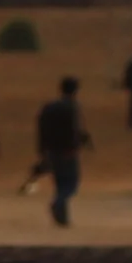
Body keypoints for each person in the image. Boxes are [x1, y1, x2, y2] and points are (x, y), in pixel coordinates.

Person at [36, 77, 91, 227]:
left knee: (60, 183)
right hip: (68, 150)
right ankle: (58, 204)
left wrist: (42, 150)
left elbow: (41, 129)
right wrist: (78, 144)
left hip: (52, 150)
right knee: (71, 184)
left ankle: (62, 217)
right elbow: (75, 130)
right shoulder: (73, 107)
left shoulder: (49, 107)